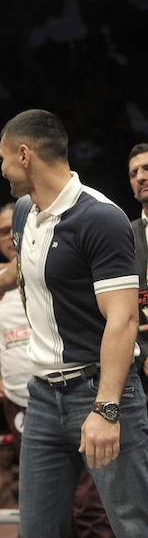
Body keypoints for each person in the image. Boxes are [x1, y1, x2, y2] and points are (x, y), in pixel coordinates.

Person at [0, 108, 148, 536]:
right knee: (38, 530)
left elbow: (124, 317)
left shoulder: (100, 217)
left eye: (4, 158)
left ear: (24, 154)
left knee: (133, 524)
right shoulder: (25, 212)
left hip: (99, 388)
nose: (2, 169)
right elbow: (39, 264)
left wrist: (106, 407)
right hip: (42, 397)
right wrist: (0, 277)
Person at [0, 203, 113, 536]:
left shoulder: (54, 261)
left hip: (67, 388)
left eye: (15, 226)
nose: (10, 235)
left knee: (89, 497)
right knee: (46, 499)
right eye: (2, 231)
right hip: (19, 399)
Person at [125, 143, 148, 393]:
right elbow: (117, 308)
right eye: (134, 173)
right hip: (143, 374)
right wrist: (144, 356)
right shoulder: (123, 236)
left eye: (146, 168)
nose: (140, 177)